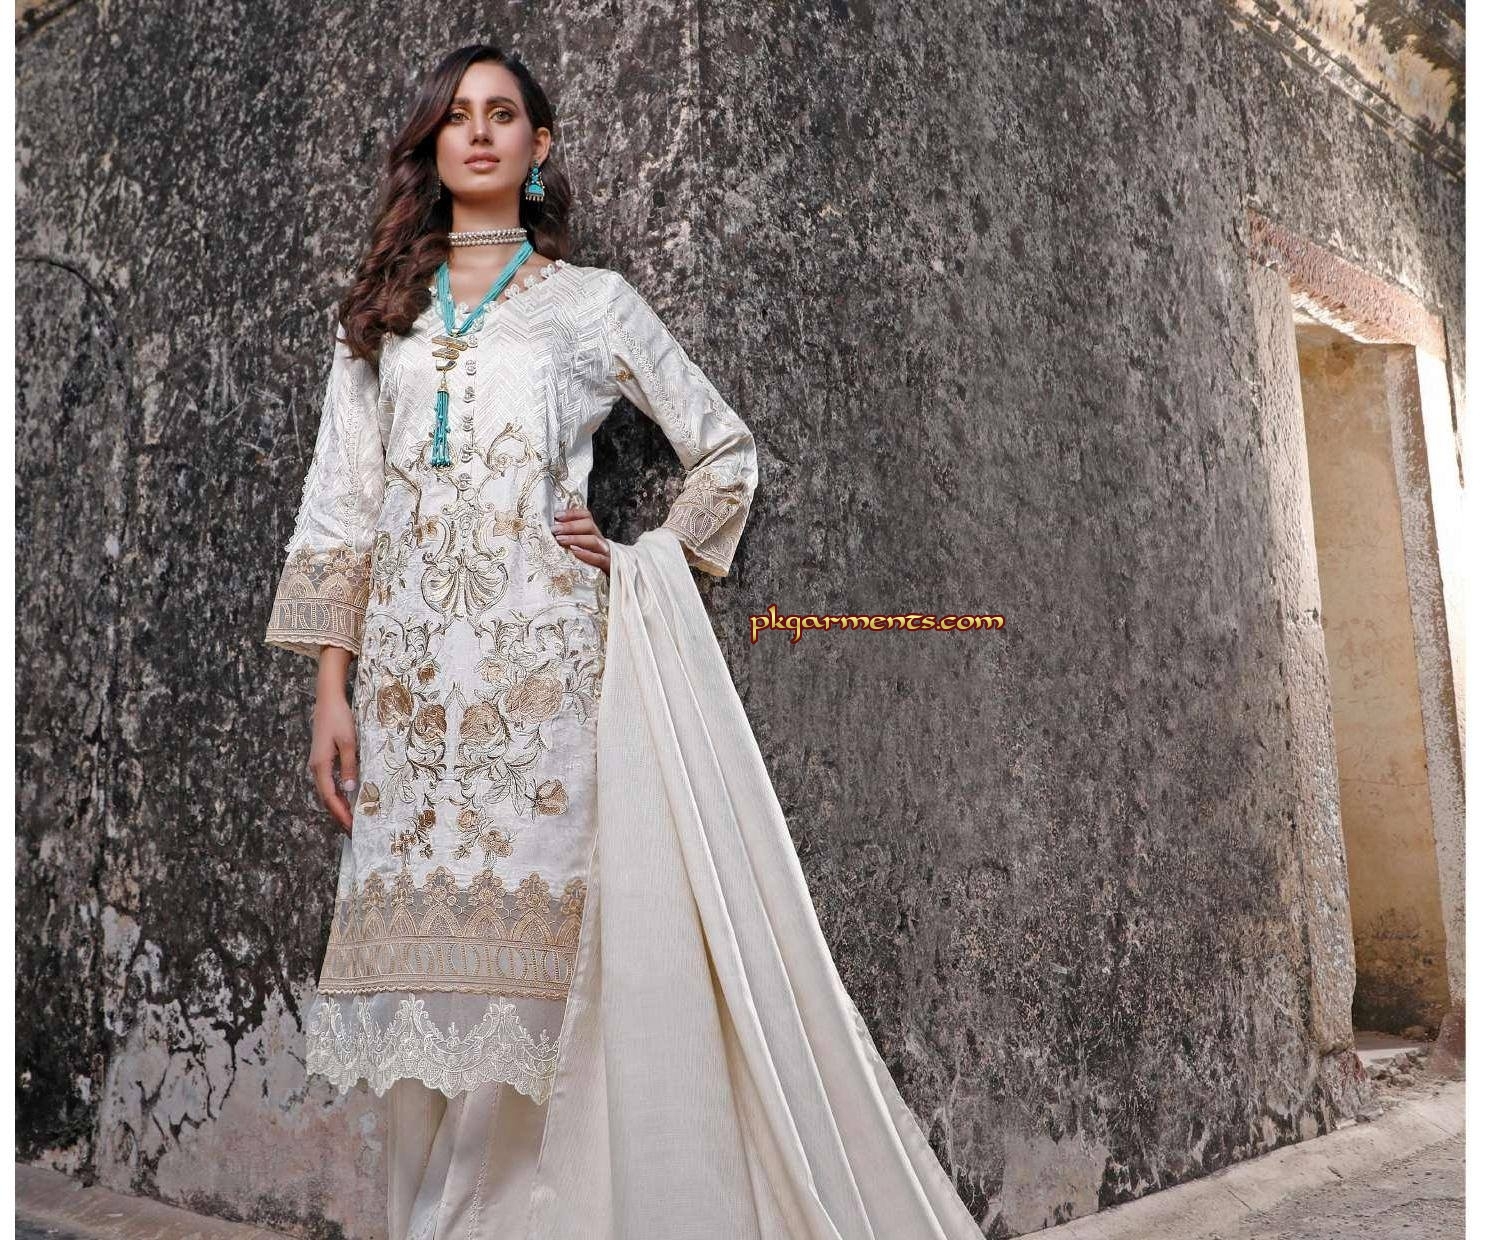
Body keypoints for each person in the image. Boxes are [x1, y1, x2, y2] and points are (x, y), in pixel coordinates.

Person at [266, 44, 982, 1240]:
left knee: (543, 982)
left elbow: (724, 451)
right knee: (423, 999)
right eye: (457, 116)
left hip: (542, 686)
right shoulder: (379, 318)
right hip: (404, 696)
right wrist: (329, 693)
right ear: (431, 146)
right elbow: (341, 511)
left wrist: (640, 555)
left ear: (537, 147)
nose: (478, 133)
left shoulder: (591, 305)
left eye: (503, 114)